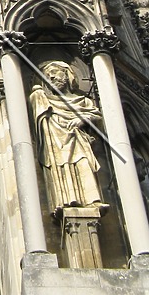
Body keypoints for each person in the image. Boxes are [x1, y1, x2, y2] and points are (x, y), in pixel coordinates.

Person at [29, 60, 103, 213]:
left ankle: (91, 201)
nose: (52, 78)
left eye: (55, 73)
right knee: (63, 166)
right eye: (48, 77)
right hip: (57, 142)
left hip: (78, 140)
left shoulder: (84, 101)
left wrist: (82, 119)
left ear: (68, 75)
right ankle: (67, 200)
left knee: (83, 162)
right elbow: (38, 106)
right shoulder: (44, 99)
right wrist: (37, 92)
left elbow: (97, 116)